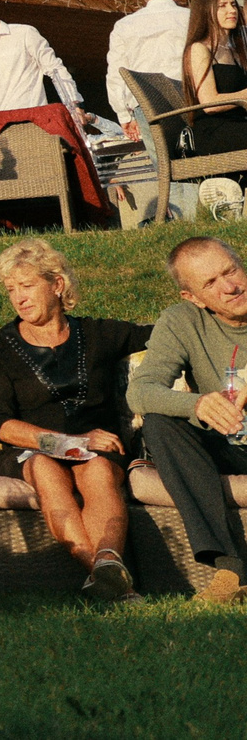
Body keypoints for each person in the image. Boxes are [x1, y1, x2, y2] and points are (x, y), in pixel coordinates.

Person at [0, 239, 148, 601]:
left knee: (98, 470)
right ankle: (113, 580)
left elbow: (164, 334)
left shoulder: (100, 334)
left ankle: (107, 564)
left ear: (57, 285)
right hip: (33, 450)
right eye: (11, 290)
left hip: (100, 450)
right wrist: (68, 443)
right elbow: (0, 423)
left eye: (27, 286)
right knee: (46, 469)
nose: (18, 298)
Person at [131, 237, 247, 603]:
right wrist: (197, 405)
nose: (230, 287)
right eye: (210, 283)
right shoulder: (182, 321)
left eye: (230, 271)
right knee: (160, 425)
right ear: (193, 297)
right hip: (232, 443)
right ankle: (232, 570)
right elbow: (140, 391)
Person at [0, 0, 91, 141]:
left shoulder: (24, 34)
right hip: (2, 125)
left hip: (35, 121)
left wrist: (75, 104)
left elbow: (55, 69)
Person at [108, 0, 191, 139]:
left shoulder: (124, 26)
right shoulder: (192, 17)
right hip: (190, 100)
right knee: (202, 158)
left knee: (161, 162)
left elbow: (116, 74)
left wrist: (124, 115)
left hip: (147, 104)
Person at [178, 0, 247, 157]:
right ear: (205, 12)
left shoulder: (236, 49)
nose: (232, 10)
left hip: (239, 124)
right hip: (215, 131)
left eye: (233, 4)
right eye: (222, 6)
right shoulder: (200, 48)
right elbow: (209, 103)